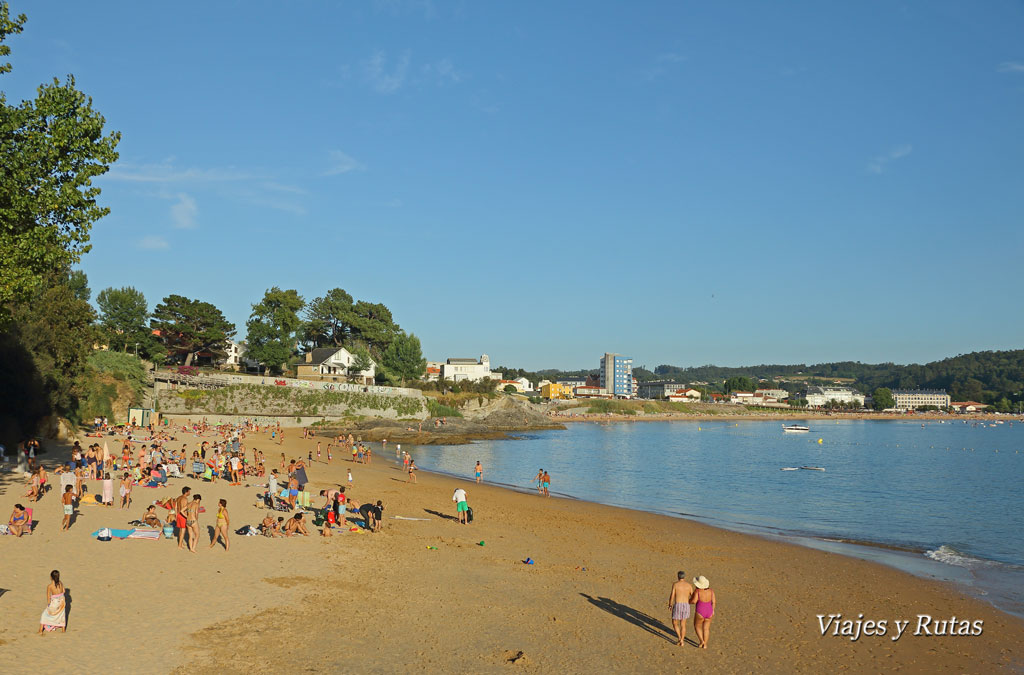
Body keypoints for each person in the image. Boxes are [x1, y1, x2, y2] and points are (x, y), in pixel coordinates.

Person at [668, 571, 694, 647]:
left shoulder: (675, 585)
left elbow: (672, 595)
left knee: (675, 622)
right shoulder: (689, 585)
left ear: (678, 576)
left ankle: (680, 638)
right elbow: (692, 596)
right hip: (686, 605)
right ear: (684, 577)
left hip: (678, 604)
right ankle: (682, 640)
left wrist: (670, 604)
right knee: (683, 624)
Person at [690, 576, 716, 649]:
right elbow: (714, 602)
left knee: (697, 626)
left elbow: (694, 601)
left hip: (700, 611)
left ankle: (702, 641)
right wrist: (713, 610)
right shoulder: (711, 591)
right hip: (709, 611)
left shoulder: (697, 591)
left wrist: (688, 601)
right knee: (706, 629)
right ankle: (705, 644)